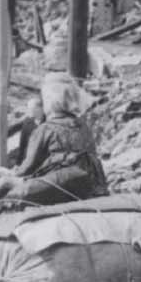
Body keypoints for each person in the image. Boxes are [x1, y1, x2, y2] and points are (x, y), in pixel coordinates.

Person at [13, 74, 110, 203]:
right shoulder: (83, 126)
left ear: (49, 100)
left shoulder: (45, 129)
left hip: (63, 186)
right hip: (92, 184)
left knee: (13, 189)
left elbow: (27, 168)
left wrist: (13, 174)